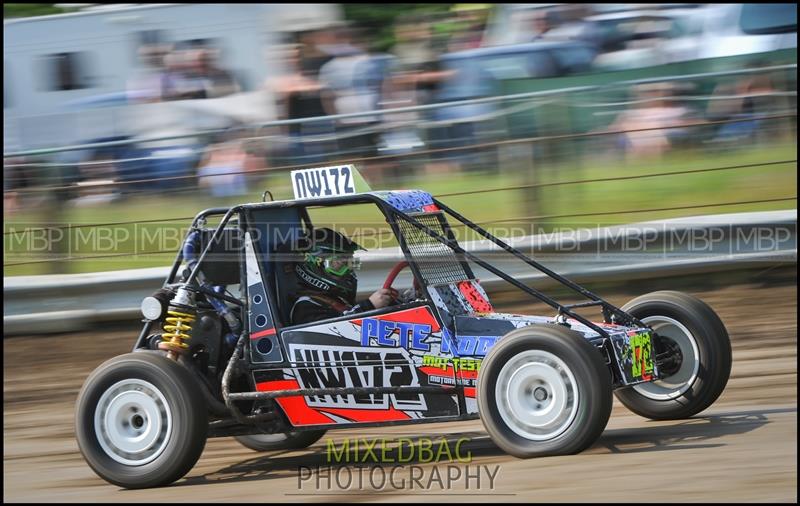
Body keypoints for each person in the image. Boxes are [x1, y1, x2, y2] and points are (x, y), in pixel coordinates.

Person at [289, 228, 398, 325]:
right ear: (315, 265)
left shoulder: (336, 299)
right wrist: (369, 305)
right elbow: (334, 333)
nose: (348, 269)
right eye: (340, 264)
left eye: (350, 262)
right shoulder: (305, 306)